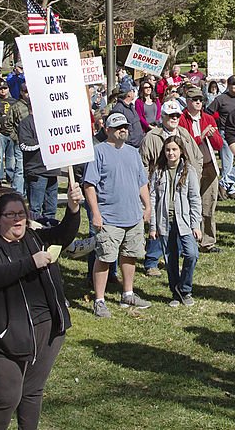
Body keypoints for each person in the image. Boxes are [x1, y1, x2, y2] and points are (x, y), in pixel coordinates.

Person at [0, 187, 82, 430]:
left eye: (21, 214)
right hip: (4, 339)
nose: (17, 219)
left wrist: (73, 209)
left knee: (33, 391)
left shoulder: (35, 237)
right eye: (10, 215)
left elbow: (63, 235)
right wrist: (30, 263)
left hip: (47, 331)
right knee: (7, 396)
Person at [83, 112, 152, 317]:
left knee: (130, 256)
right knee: (104, 258)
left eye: (125, 127)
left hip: (133, 216)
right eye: (118, 127)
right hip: (109, 217)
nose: (123, 130)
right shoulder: (98, 152)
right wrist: (95, 213)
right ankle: (100, 300)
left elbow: (142, 182)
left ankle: (128, 293)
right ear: (108, 130)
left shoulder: (133, 152)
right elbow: (89, 185)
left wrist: (147, 206)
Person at [148, 136, 202, 307]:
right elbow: (152, 198)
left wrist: (196, 224)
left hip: (184, 221)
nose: (171, 153)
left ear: (181, 151)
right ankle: (175, 291)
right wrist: (152, 226)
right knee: (170, 258)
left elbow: (194, 198)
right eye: (168, 150)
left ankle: (184, 288)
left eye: (174, 149)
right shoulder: (158, 171)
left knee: (192, 254)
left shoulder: (189, 170)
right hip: (165, 221)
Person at [178, 86, 223, 252]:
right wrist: (201, 136)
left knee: (209, 202)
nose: (198, 103)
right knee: (189, 203)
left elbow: (219, 145)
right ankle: (188, 241)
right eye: (195, 100)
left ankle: (208, 241)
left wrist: (212, 136)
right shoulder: (182, 119)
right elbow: (185, 145)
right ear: (188, 102)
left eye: (201, 100)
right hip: (191, 165)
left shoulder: (209, 118)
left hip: (209, 164)